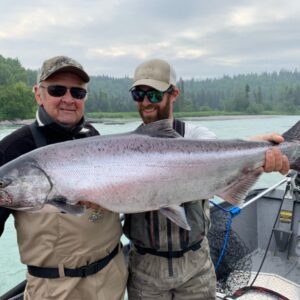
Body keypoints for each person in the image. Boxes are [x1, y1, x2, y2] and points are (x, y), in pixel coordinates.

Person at [123, 58, 290, 300]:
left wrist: (264, 148)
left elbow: (224, 153)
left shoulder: (196, 135)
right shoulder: (122, 148)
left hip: (195, 264)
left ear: (174, 94)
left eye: (155, 95)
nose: (146, 102)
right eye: (139, 94)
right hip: (144, 267)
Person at [0, 56, 128, 300]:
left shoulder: (96, 138)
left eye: (77, 92)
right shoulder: (12, 150)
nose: (69, 99)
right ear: (38, 94)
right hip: (55, 289)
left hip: (112, 279)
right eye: (58, 90)